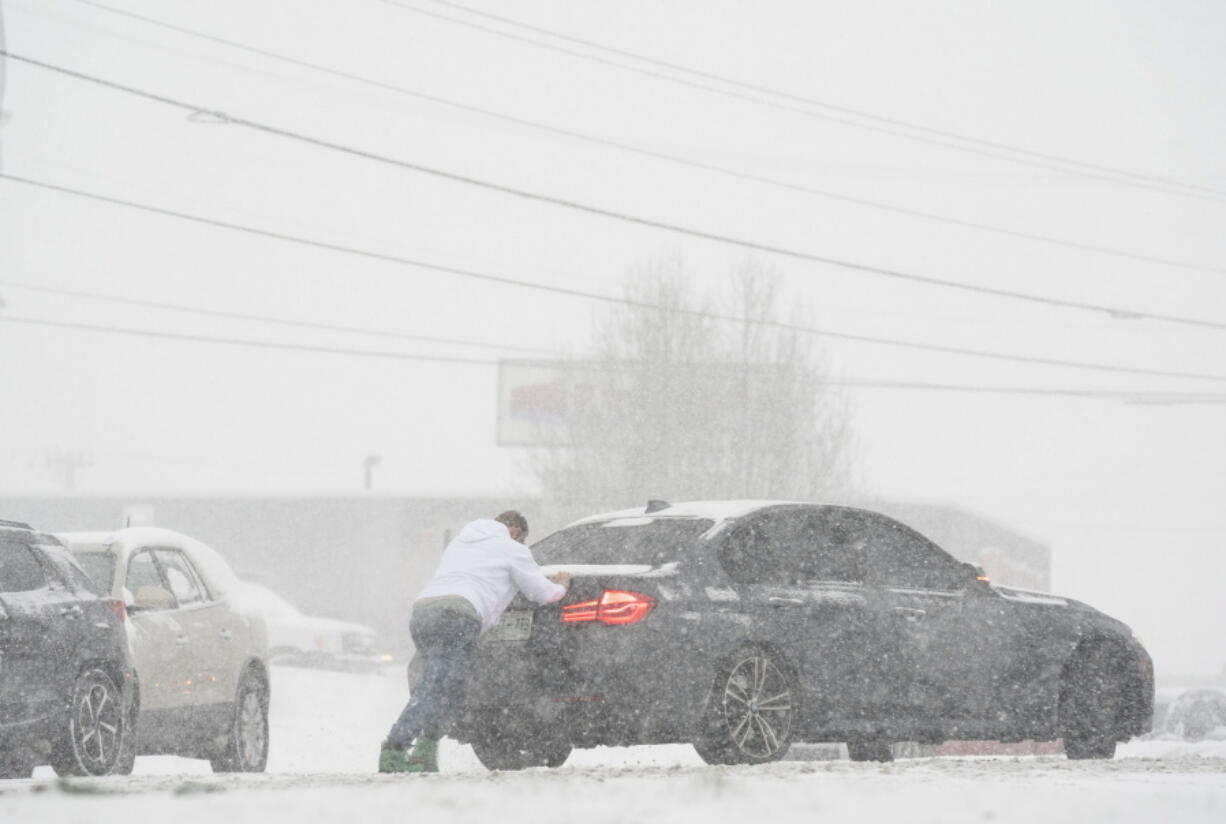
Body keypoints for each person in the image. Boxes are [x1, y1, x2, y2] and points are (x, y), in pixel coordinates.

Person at [379, 510, 570, 773]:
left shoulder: (461, 542)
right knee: (437, 689)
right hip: (457, 615)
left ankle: (423, 752)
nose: (522, 545)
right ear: (515, 532)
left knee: (446, 688)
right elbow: (540, 592)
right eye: (522, 540)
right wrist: (561, 586)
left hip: (423, 612)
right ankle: (395, 749)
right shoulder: (510, 548)